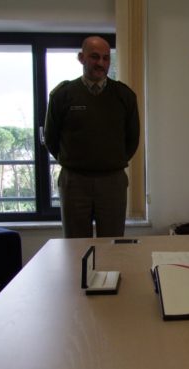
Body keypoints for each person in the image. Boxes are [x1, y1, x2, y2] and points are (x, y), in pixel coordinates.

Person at [44, 36, 140, 238]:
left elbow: (132, 140)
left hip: (112, 181)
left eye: (106, 58)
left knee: (112, 244)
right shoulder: (63, 94)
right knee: (76, 246)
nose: (101, 63)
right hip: (74, 182)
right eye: (95, 57)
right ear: (81, 58)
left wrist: (109, 162)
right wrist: (74, 161)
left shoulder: (124, 95)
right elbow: (51, 138)